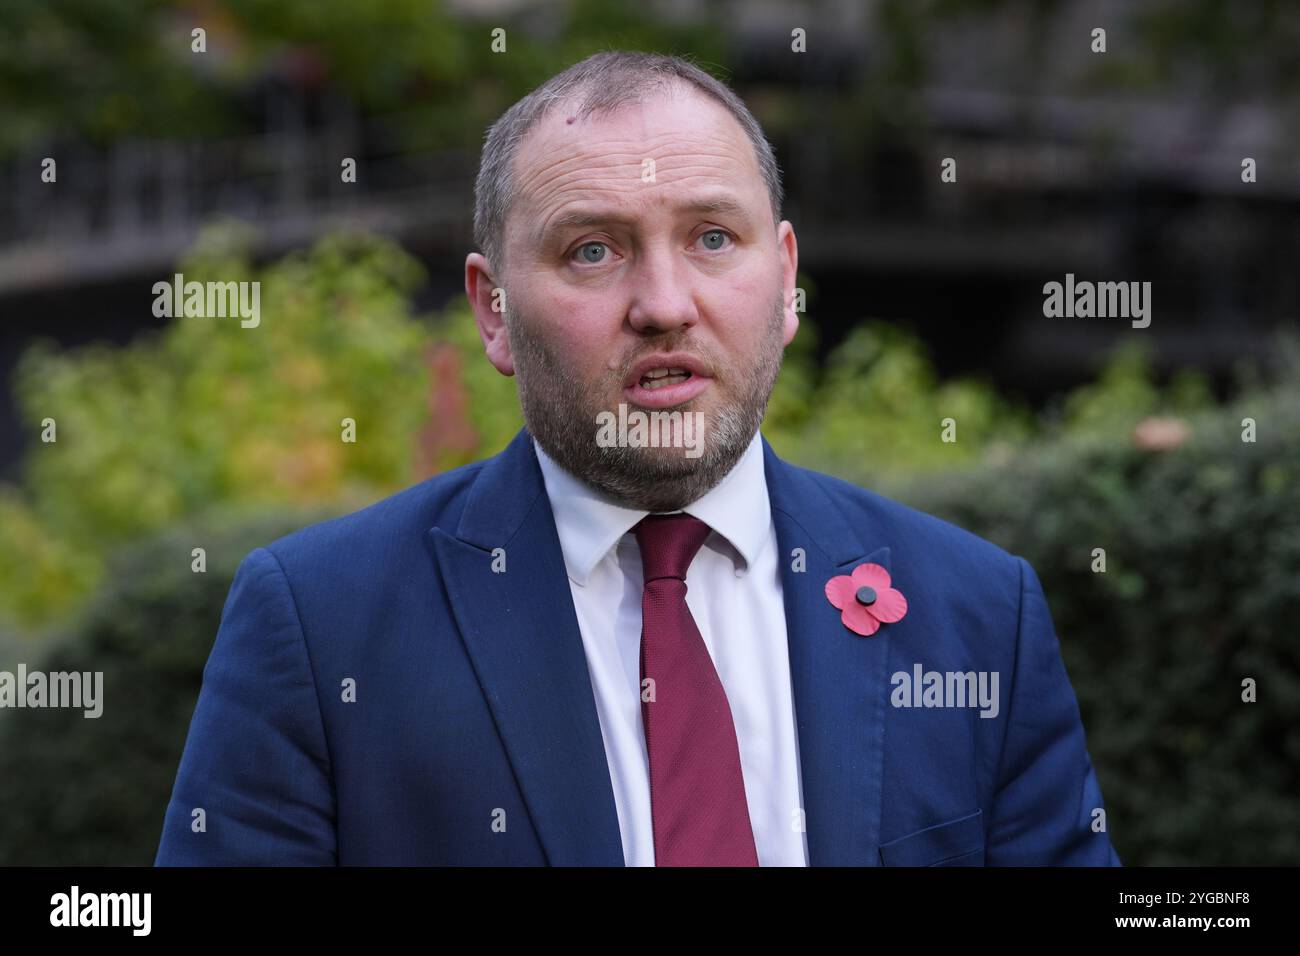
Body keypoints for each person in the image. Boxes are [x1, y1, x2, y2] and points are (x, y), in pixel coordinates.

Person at [155, 50, 1120, 867]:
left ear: (785, 281)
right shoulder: (319, 627)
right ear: (493, 311)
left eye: (711, 237)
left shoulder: (980, 616)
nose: (664, 302)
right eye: (591, 251)